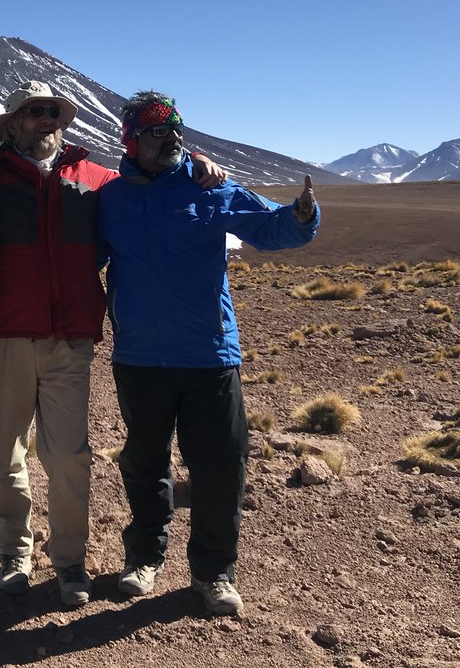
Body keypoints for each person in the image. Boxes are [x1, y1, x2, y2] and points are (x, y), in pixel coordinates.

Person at [0, 81, 226, 607]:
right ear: (13, 124)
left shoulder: (96, 179)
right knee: (5, 455)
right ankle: (15, 555)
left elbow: (149, 177)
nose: (45, 121)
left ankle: (69, 561)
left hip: (70, 340)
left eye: (54, 113)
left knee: (69, 457)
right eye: (34, 113)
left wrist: (190, 155)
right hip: (6, 337)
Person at [97, 91, 319, 615]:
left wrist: (303, 213)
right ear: (131, 140)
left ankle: (214, 571)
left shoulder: (209, 186)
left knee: (220, 464)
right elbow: (76, 252)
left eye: (176, 128)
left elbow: (270, 228)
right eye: (155, 131)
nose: (171, 137)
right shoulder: (112, 198)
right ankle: (145, 559)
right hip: (140, 357)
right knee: (146, 462)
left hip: (209, 354)